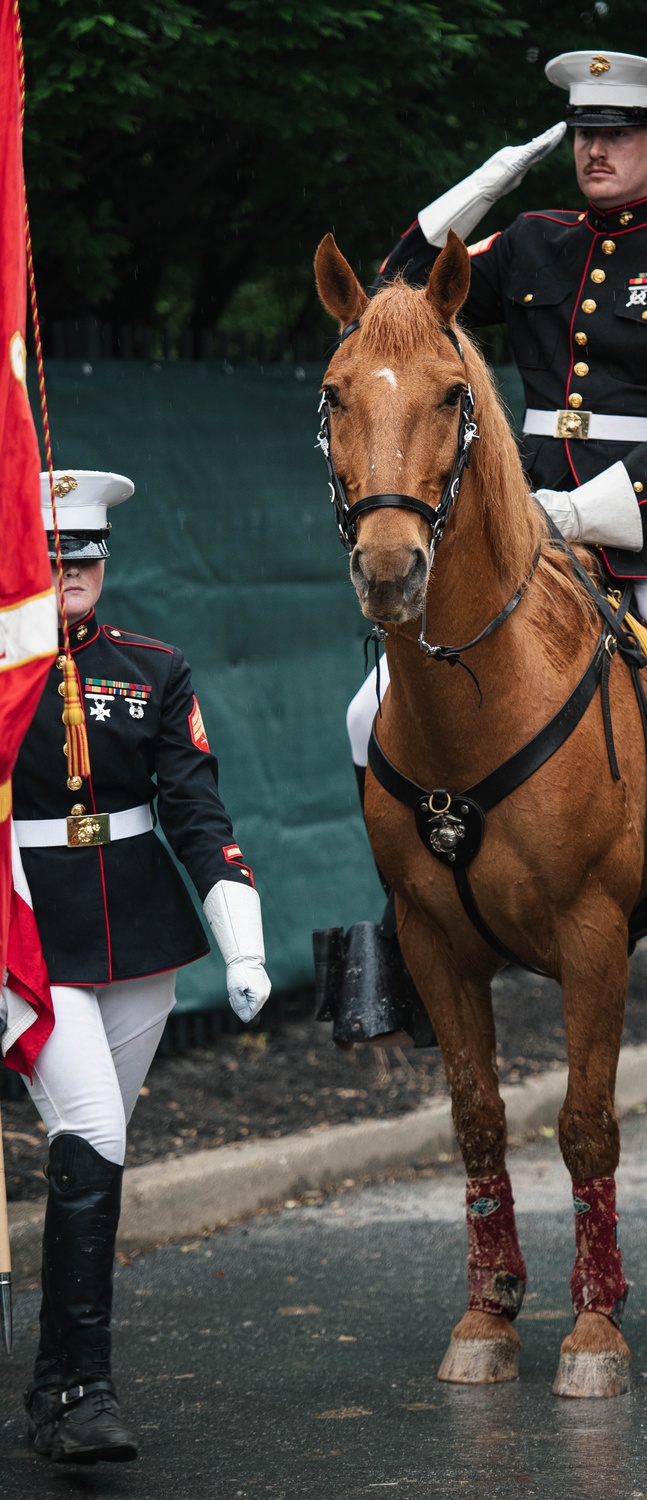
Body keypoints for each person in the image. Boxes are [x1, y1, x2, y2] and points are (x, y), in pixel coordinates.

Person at [344, 49, 647, 1032]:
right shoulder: (531, 241)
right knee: (363, 713)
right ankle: (405, 915)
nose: (596, 149)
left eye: (617, 133)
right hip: (523, 541)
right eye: (584, 133)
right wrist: (498, 172)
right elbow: (398, 287)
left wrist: (582, 515)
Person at [10, 470, 271, 1465]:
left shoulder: (154, 668)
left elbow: (195, 813)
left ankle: (50, 1382)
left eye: (88, 553)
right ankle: (83, 1392)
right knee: (91, 1128)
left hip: (137, 937)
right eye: (54, 553)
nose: (74, 569)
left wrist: (240, 935)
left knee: (92, 1154)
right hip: (30, 934)